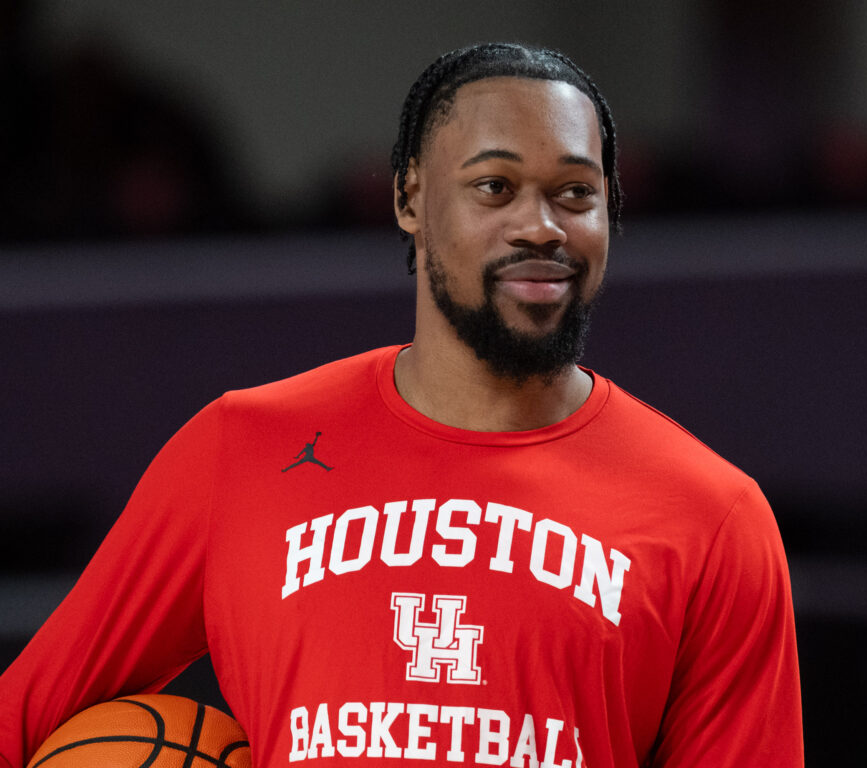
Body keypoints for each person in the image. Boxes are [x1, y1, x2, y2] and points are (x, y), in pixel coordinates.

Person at [0, 43, 803, 767]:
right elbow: (21, 720)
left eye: (574, 193)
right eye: (495, 187)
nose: (540, 226)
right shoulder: (240, 448)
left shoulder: (713, 515)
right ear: (410, 200)